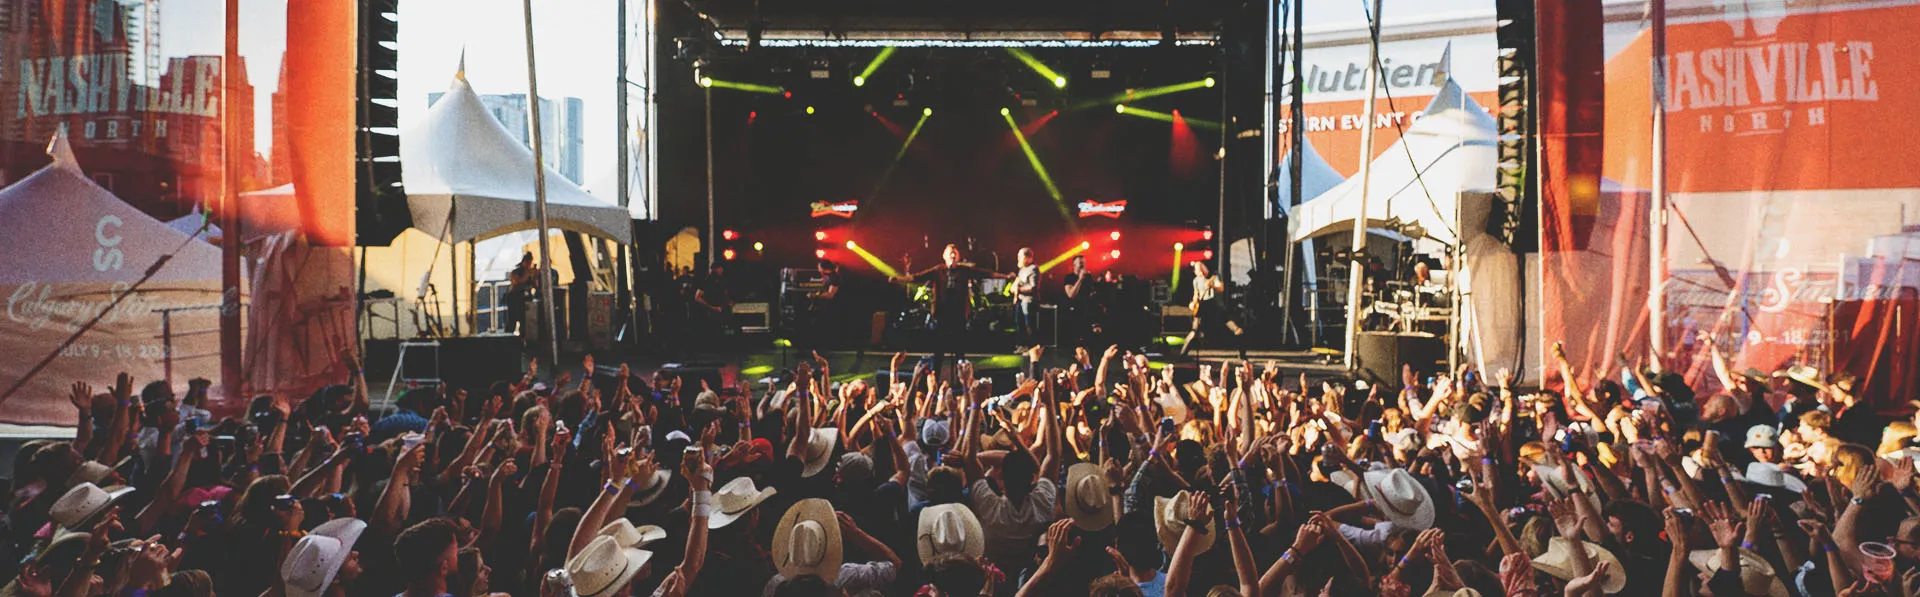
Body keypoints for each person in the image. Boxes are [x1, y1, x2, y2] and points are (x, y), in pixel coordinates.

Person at [890, 244, 1010, 364]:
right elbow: (917, 277)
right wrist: (899, 279)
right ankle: (936, 376)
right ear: (944, 256)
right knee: (939, 349)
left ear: (958, 257)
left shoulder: (964, 270)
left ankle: (962, 377)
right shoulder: (938, 270)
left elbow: (985, 273)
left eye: (955, 253)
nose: (953, 255)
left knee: (959, 349)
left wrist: (1005, 276)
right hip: (941, 313)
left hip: (958, 313)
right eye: (950, 253)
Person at [1181, 261, 1241, 355]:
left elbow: (1221, 288)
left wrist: (1212, 286)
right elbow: (1196, 295)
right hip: (1202, 308)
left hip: (1216, 307)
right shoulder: (1196, 281)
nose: (1200, 271)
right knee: (1194, 331)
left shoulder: (1214, 277)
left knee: (1235, 328)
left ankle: (1242, 354)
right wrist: (1193, 303)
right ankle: (1183, 354)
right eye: (1198, 269)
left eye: (1202, 268)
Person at [1012, 248, 1040, 348]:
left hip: (1028, 301)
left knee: (1029, 324)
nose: (1018, 258)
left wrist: (1019, 289)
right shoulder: (1022, 269)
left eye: (1021, 256)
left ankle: (1032, 347)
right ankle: (1022, 345)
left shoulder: (1033, 269)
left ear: (1028, 257)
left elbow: (1033, 287)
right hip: (1021, 300)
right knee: (1019, 323)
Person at [507, 252, 541, 335]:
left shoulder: (530, 273)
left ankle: (523, 338)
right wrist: (527, 274)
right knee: (512, 320)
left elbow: (535, 286)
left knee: (525, 321)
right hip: (515, 298)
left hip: (526, 299)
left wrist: (535, 276)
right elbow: (516, 281)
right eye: (528, 262)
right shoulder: (516, 271)